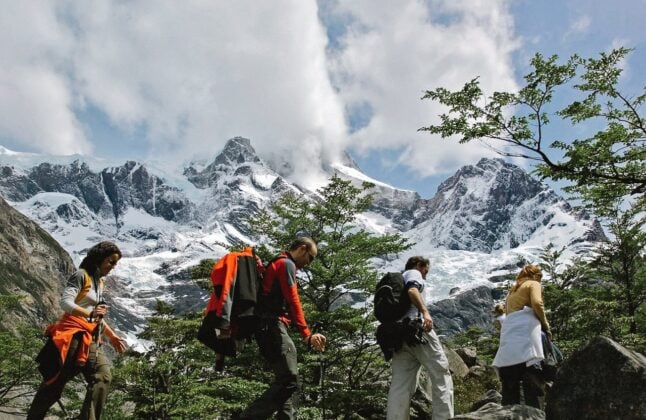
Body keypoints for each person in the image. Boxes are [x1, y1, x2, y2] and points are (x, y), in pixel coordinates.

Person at [28, 241, 128, 420]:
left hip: (89, 338)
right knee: (54, 386)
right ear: (100, 258)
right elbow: (65, 303)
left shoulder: (100, 282)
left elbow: (95, 316)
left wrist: (112, 336)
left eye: (115, 263)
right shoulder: (81, 275)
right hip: (72, 336)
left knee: (103, 376)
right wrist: (90, 313)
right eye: (111, 261)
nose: (113, 267)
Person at [238, 237, 326, 420]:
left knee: (285, 380)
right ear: (302, 249)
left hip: (264, 329)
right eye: (311, 258)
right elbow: (293, 300)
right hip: (273, 327)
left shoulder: (276, 262)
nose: (309, 263)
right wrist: (306, 334)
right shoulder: (287, 264)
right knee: (289, 379)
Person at [386, 256, 454, 420]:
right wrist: (425, 312)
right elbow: (412, 290)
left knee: (400, 384)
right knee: (440, 373)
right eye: (426, 270)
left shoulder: (398, 280)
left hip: (399, 336)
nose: (425, 275)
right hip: (417, 330)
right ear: (418, 265)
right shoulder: (413, 274)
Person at [492, 264, 551, 408]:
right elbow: (537, 303)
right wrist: (545, 325)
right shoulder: (533, 283)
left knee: (510, 391)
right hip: (527, 333)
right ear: (535, 275)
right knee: (532, 384)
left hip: (509, 336)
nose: (540, 281)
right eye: (540, 277)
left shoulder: (512, 291)